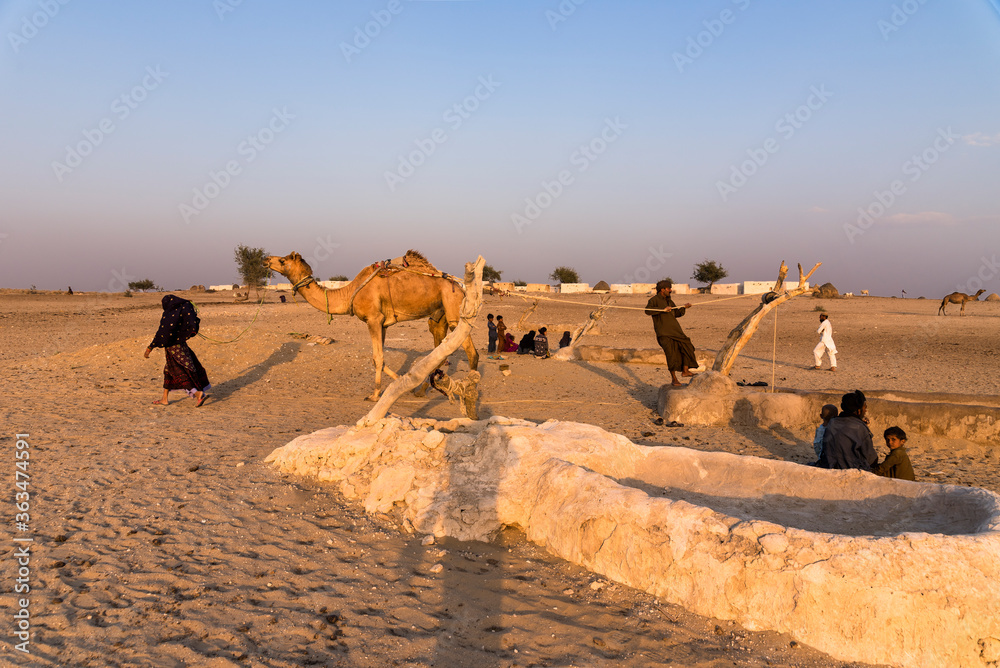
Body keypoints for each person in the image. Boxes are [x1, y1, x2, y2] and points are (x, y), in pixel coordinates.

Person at [144, 294, 210, 407]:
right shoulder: (178, 312)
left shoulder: (170, 315)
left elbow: (163, 332)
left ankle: (198, 393)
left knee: (179, 372)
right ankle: (164, 399)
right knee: (168, 371)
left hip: (174, 348)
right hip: (181, 345)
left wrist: (150, 347)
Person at [645, 279, 696, 386]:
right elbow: (647, 311)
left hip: (676, 331)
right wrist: (662, 309)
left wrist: (684, 307)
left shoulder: (669, 301)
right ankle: (674, 379)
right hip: (664, 333)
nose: (671, 290)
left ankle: (685, 371)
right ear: (662, 290)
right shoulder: (654, 300)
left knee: (687, 346)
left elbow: (676, 313)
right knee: (671, 354)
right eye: (669, 289)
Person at [817, 390, 876, 471]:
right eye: (865, 407)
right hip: (851, 470)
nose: (865, 410)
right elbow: (871, 458)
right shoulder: (860, 428)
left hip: (829, 466)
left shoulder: (832, 422)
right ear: (858, 411)